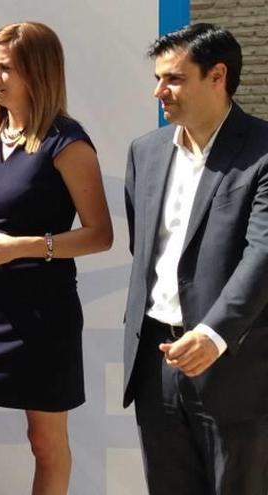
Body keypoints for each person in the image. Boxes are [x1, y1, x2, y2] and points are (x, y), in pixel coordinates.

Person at [0, 22, 113, 495]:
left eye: (6, 68)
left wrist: (21, 246)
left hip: (46, 310)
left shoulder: (68, 143)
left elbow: (101, 236)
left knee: (45, 442)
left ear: (38, 73)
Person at [123, 23, 268, 494]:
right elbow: (145, 252)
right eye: (158, 78)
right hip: (155, 364)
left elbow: (263, 255)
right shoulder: (144, 153)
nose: (159, 91)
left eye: (174, 78)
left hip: (234, 366)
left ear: (217, 76)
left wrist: (213, 333)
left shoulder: (262, 153)